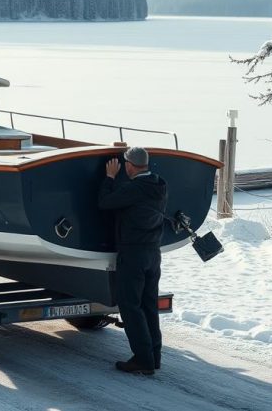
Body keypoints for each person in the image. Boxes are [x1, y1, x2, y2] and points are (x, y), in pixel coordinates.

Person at [98, 146, 168, 375]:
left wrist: (109, 178)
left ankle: (142, 359)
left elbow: (105, 203)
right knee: (149, 306)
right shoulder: (159, 184)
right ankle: (153, 356)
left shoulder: (134, 189)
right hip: (153, 253)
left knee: (130, 305)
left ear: (128, 165)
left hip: (133, 254)